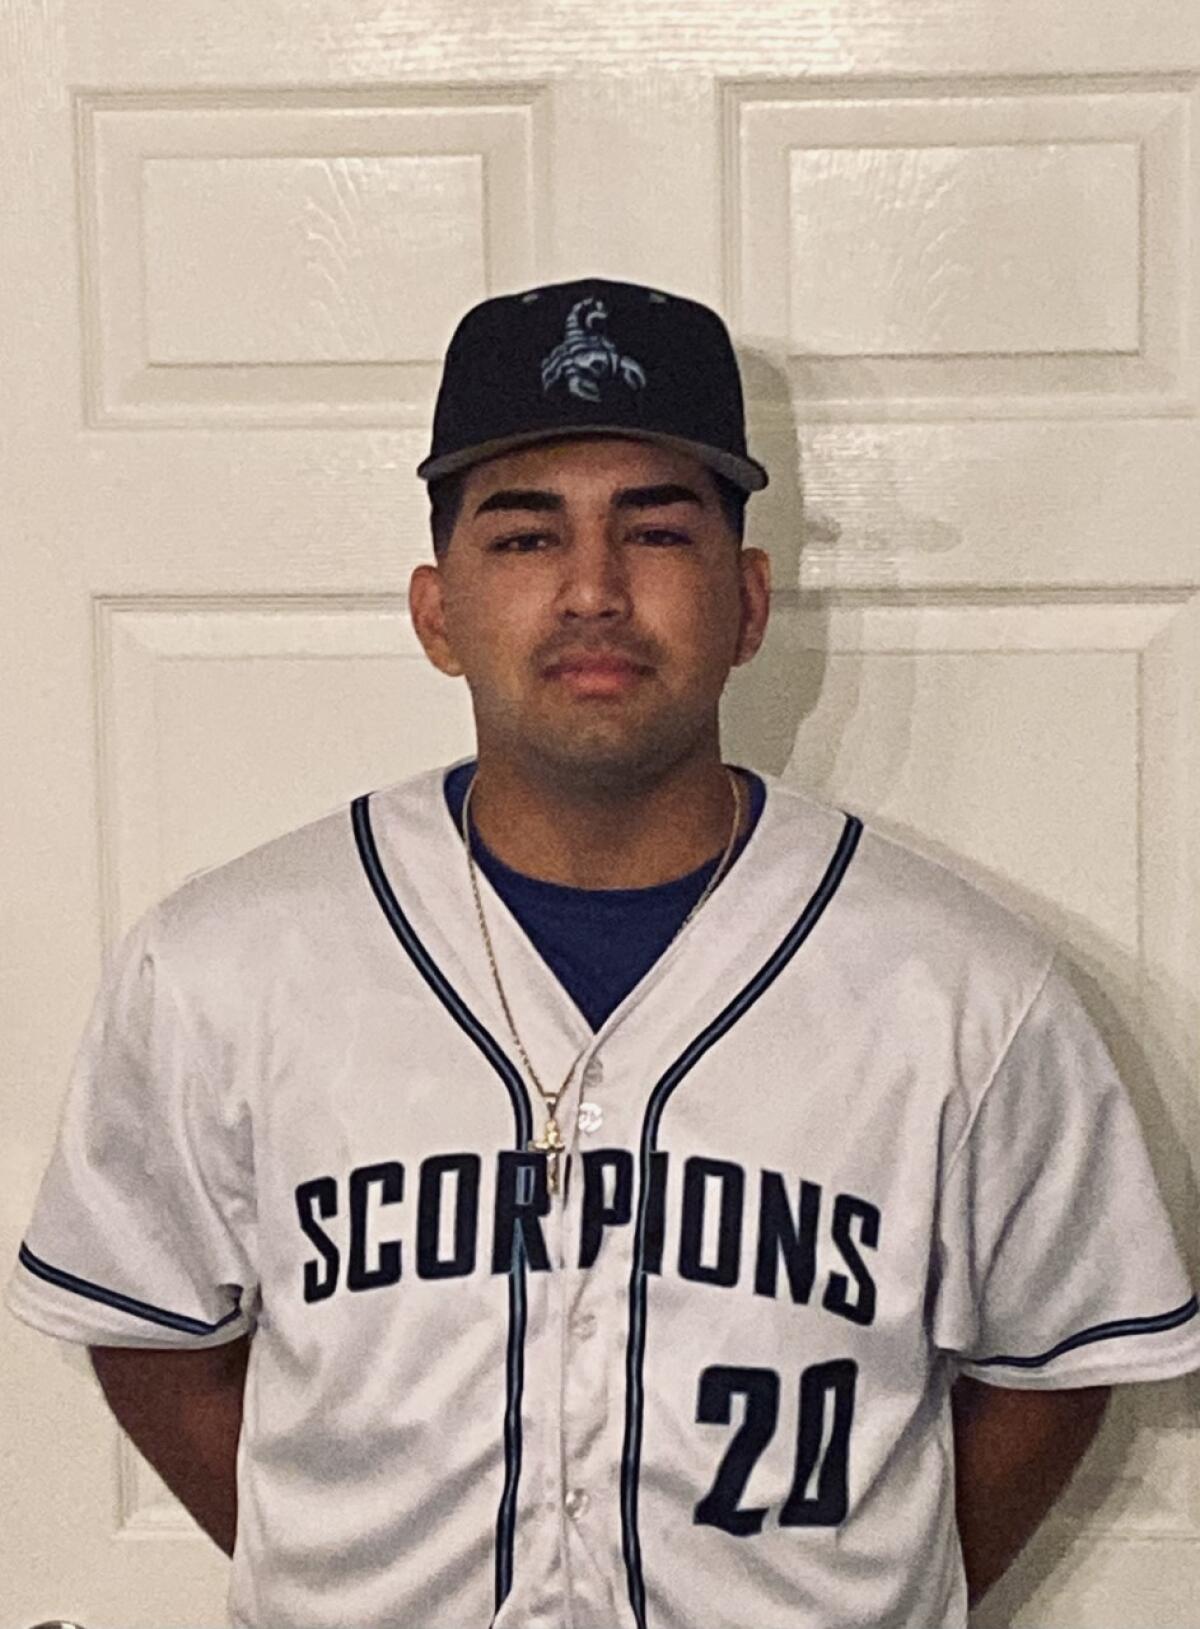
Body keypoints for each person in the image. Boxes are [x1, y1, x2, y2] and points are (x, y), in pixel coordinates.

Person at [7, 276, 1199, 1629]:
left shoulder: (966, 989)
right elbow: (151, 1328)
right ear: (436, 606)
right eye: (524, 536)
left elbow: (1053, 1365)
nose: (592, 589)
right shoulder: (223, 963)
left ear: (748, 601)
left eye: (657, 529)